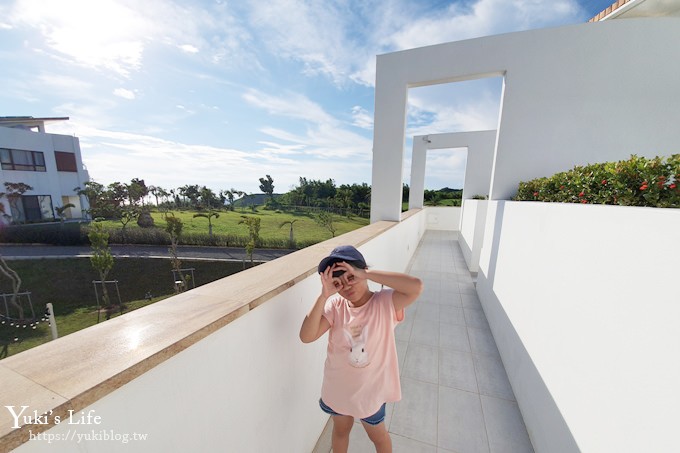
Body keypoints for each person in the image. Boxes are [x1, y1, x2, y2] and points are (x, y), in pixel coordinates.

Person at [300, 245, 423, 453]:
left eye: (351, 277)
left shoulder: (384, 303)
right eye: (339, 283)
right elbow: (307, 336)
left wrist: (366, 273)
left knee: (378, 436)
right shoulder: (336, 306)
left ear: (362, 271)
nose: (347, 286)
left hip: (371, 393)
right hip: (338, 390)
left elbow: (415, 286)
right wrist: (324, 296)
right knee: (340, 431)